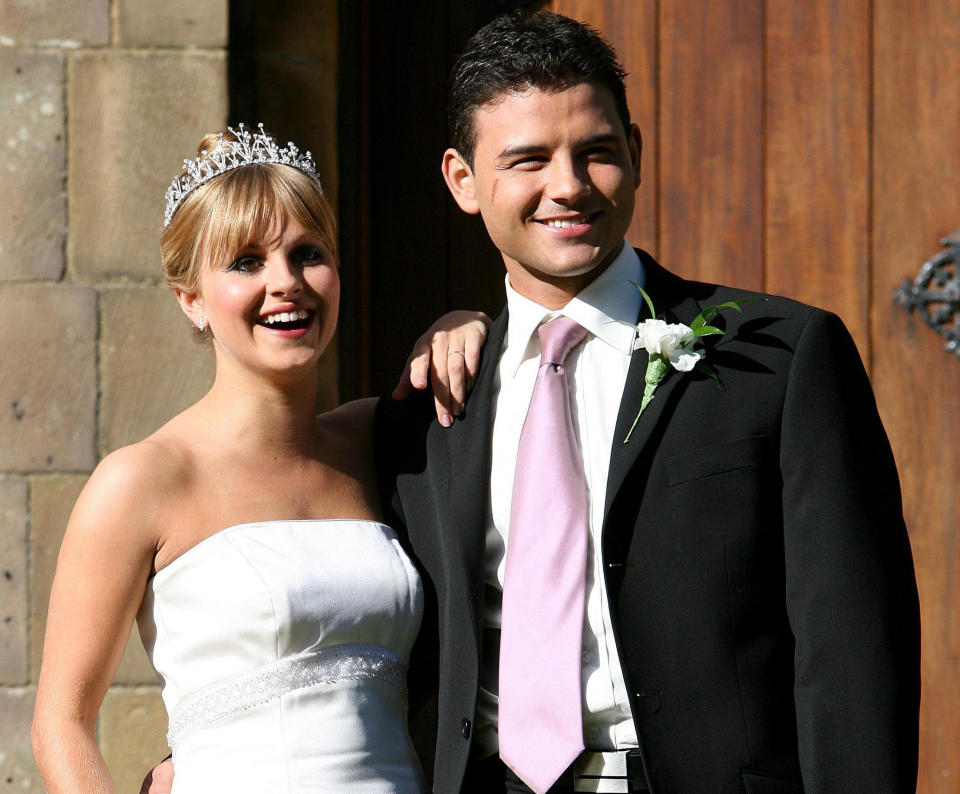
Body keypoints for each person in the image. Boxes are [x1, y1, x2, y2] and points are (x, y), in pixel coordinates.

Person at [375, 10, 921, 794]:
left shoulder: (782, 356)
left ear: (636, 151)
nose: (567, 186)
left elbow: (856, 647)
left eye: (595, 152)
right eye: (527, 159)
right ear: (464, 180)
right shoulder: (426, 408)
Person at [30, 123, 489, 793]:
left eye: (308, 253)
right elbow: (61, 723)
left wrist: (466, 324)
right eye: (246, 262)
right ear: (191, 301)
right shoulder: (141, 481)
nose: (287, 283)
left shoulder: (381, 442)